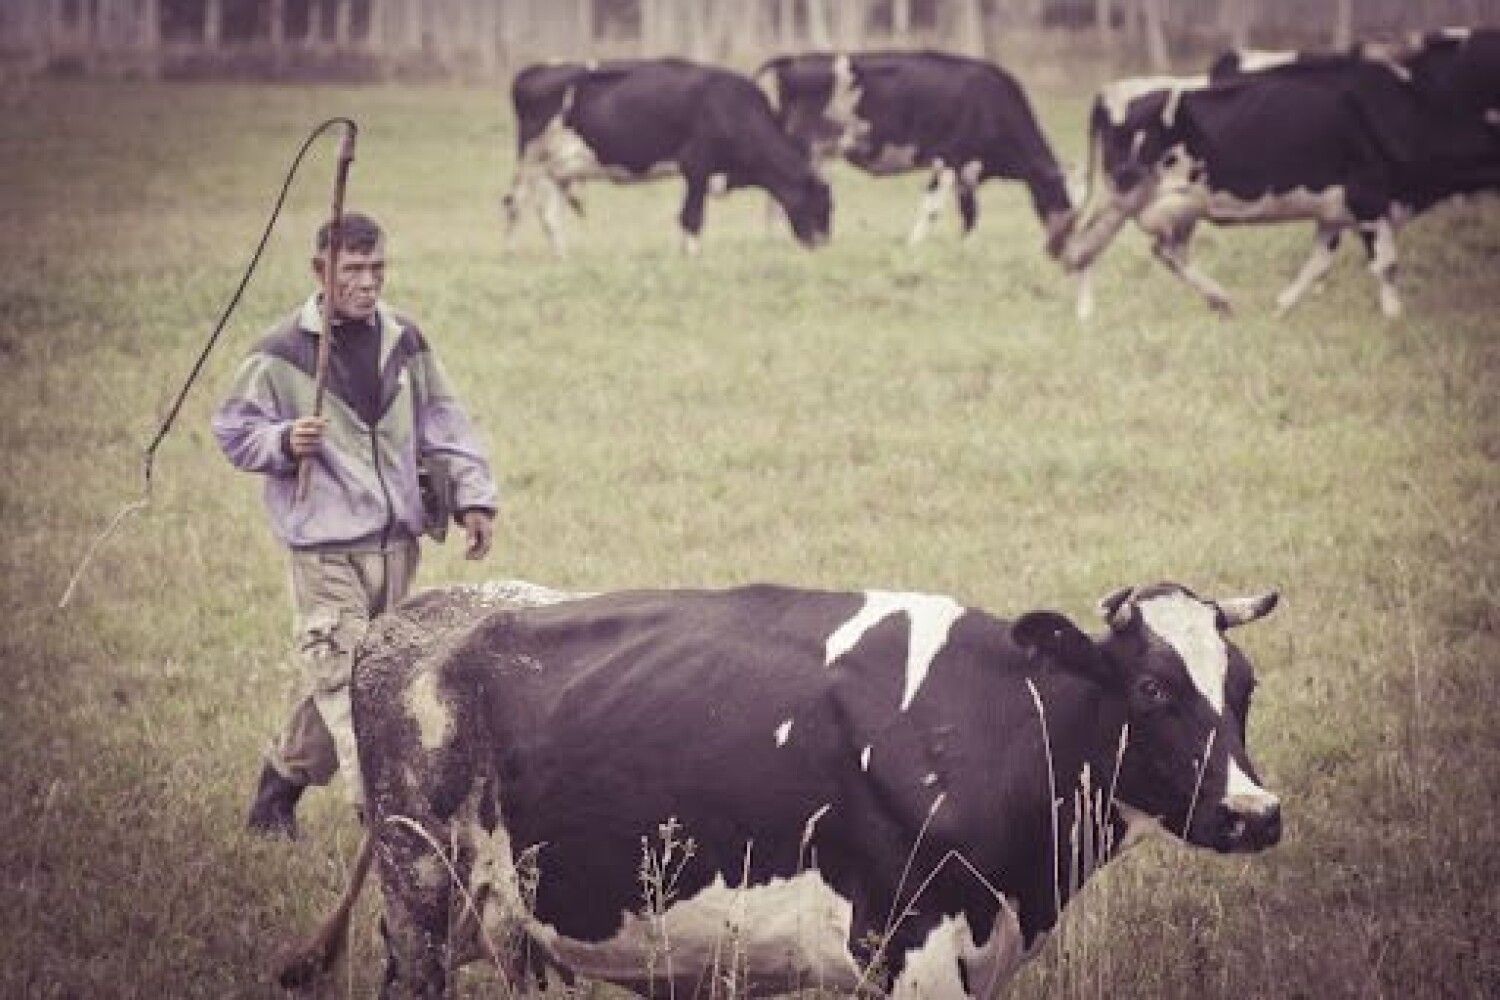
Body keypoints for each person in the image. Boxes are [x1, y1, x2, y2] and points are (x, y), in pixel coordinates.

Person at [213, 211, 498, 838]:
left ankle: (278, 784)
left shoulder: (405, 342)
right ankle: (392, 828)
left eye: (377, 269)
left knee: (374, 676)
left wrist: (473, 497)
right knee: (350, 685)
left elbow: (445, 423)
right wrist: (285, 440)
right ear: (321, 271)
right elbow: (233, 433)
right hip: (325, 554)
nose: (368, 283)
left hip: (397, 547)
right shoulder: (281, 353)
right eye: (353, 271)